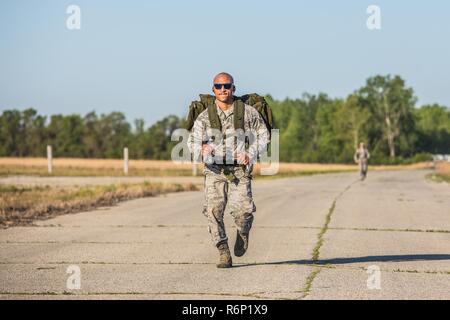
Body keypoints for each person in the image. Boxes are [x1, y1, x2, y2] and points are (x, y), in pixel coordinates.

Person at [187, 72, 269, 268]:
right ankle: (223, 250)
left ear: (233, 88)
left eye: (226, 85)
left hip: (240, 171)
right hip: (214, 170)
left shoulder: (248, 112)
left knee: (243, 212)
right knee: (213, 211)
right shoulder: (205, 116)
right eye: (218, 86)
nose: (223, 89)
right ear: (213, 89)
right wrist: (201, 149)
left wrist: (251, 152)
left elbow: (264, 135)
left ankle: (242, 232)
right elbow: (191, 142)